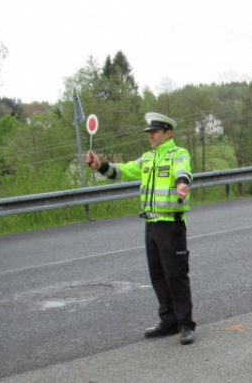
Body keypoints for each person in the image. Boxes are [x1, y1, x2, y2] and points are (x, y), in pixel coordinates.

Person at [85, 112, 196, 345]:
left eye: (154, 132)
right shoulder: (147, 158)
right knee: (158, 276)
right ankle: (169, 321)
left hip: (170, 225)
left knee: (176, 275)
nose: (151, 136)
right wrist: (99, 165)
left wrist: (182, 183)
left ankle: (186, 324)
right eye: (149, 133)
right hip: (151, 225)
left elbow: (182, 170)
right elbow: (123, 170)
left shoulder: (178, 153)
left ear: (168, 133)